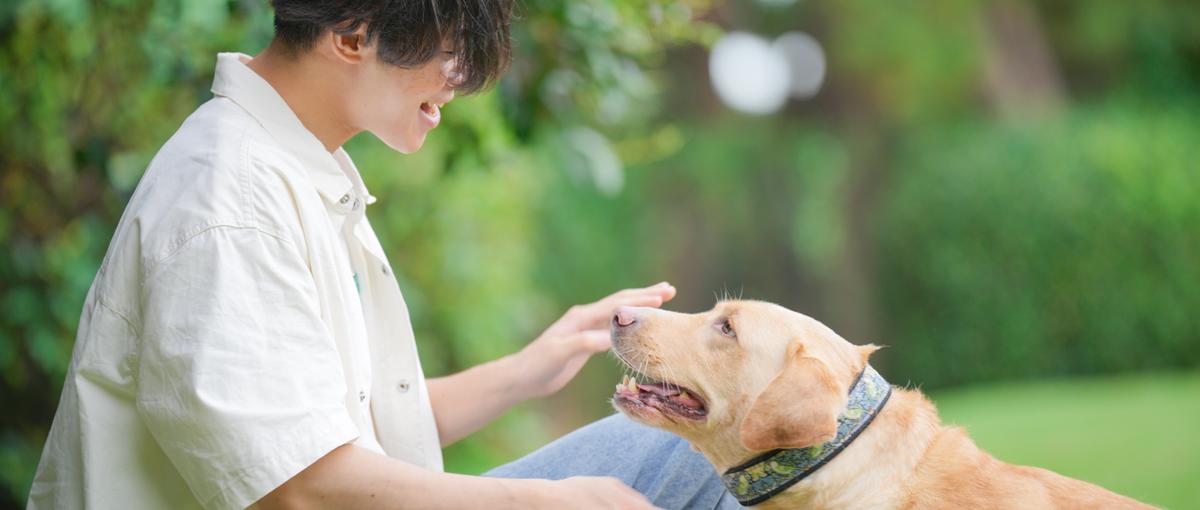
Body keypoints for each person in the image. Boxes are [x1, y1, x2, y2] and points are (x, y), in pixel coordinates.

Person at [29, 1, 739, 508]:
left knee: (701, 440)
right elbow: (301, 488)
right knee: (701, 460)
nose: (457, 84)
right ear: (353, 34)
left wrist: (531, 367)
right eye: (450, 51)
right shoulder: (231, 203)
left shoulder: (294, 167)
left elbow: (347, 432)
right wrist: (549, 502)